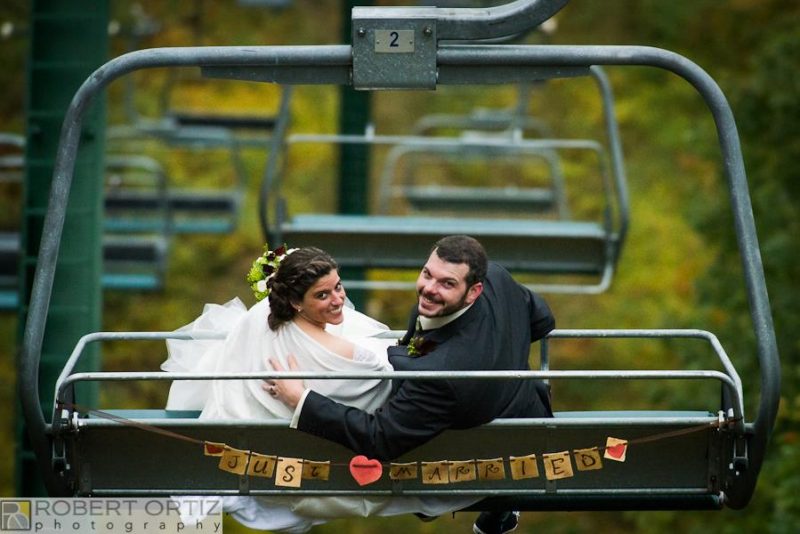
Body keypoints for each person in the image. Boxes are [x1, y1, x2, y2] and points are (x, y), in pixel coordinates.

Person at [162, 245, 479, 533]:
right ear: (295, 302)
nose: (339, 299)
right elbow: (394, 388)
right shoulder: (359, 361)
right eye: (323, 295)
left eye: (338, 287)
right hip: (361, 459)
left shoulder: (256, 321)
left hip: (258, 463)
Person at [268, 235, 555, 534]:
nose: (430, 289)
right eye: (428, 274)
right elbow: (543, 319)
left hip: (471, 453)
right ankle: (499, 515)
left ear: (474, 292)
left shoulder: (440, 375)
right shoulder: (496, 276)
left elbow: (379, 437)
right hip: (528, 409)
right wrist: (503, 354)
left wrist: (301, 399)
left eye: (447, 284)